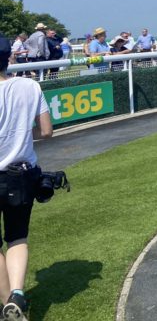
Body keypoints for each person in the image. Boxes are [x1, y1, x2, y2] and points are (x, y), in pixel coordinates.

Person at [0, 35, 54, 320]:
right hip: (21, 175)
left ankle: (8, 302)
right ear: (9, 56)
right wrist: (20, 136)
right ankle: (16, 296)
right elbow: (46, 131)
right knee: (17, 238)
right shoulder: (30, 86)